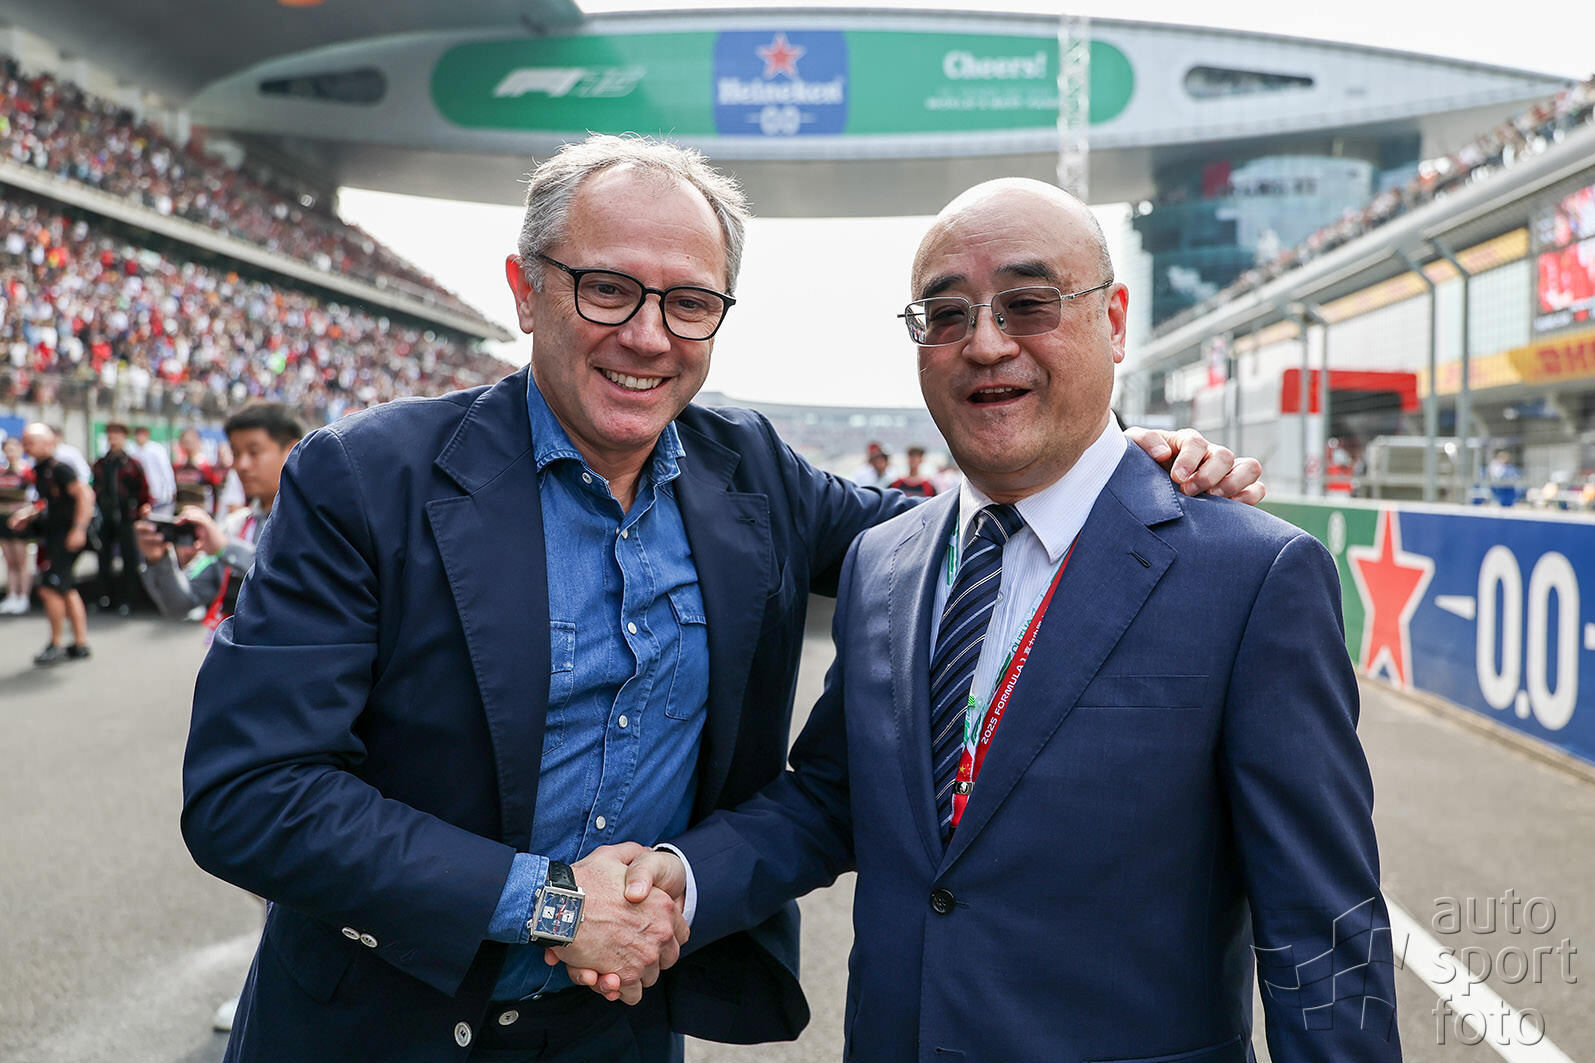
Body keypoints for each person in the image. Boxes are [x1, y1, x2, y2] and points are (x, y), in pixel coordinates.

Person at [180, 136, 1263, 1063]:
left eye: (689, 303)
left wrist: (1121, 470)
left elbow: (957, 537)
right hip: (375, 1023)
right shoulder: (363, 478)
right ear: (524, 288)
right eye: (607, 288)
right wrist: (549, 903)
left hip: (618, 1030)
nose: (648, 335)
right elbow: (250, 792)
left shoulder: (751, 474)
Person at [618, 179, 1397, 1062]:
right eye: (945, 315)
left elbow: (1322, 927)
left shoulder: (1251, 573)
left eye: (1028, 304)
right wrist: (680, 877)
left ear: (1113, 321)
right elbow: (836, 794)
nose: (985, 343)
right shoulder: (883, 561)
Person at [136, 404, 302, 626]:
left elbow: (295, 584)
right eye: (236, 453)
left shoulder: (316, 523)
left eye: (254, 452)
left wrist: (226, 548)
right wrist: (159, 559)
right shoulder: (235, 526)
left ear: (292, 450)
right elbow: (181, 604)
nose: (241, 465)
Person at [7, 423, 94, 664]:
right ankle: (80, 643)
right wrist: (28, 514)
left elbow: (85, 495)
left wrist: (79, 530)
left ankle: (56, 643)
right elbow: (48, 502)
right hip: (56, 536)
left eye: (31, 442)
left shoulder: (60, 468)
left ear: (48, 443)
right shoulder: (41, 470)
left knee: (49, 588)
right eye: (25, 442)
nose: (27, 447)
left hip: (67, 537)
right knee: (65, 587)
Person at [90, 422, 152, 614]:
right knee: (103, 558)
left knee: (129, 559)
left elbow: (143, 491)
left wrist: (140, 510)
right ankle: (104, 598)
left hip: (127, 517)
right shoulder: (100, 464)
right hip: (105, 517)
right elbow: (94, 488)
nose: (113, 439)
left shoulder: (132, 464)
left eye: (117, 435)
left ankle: (130, 600)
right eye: (110, 435)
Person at [0, 435, 34, 614]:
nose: (10, 452)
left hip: (20, 520)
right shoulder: (1, 471)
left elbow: (35, 496)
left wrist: (26, 513)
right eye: (7, 449)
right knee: (9, 561)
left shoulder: (26, 471)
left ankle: (24, 596)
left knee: (21, 561)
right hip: (3, 519)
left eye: (14, 449)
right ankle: (11, 595)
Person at [171, 427, 225, 516]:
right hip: (180, 513)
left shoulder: (206, 467)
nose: (188, 445)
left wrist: (214, 514)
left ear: (198, 442)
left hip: (200, 515)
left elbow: (216, 491)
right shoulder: (177, 467)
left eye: (191, 441)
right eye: (185, 441)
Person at [131, 424, 177, 516]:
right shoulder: (133, 451)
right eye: (137, 434)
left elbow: (166, 470)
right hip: (143, 495)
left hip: (159, 494)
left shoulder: (156, 449)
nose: (139, 437)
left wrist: (172, 488)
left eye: (142, 434)